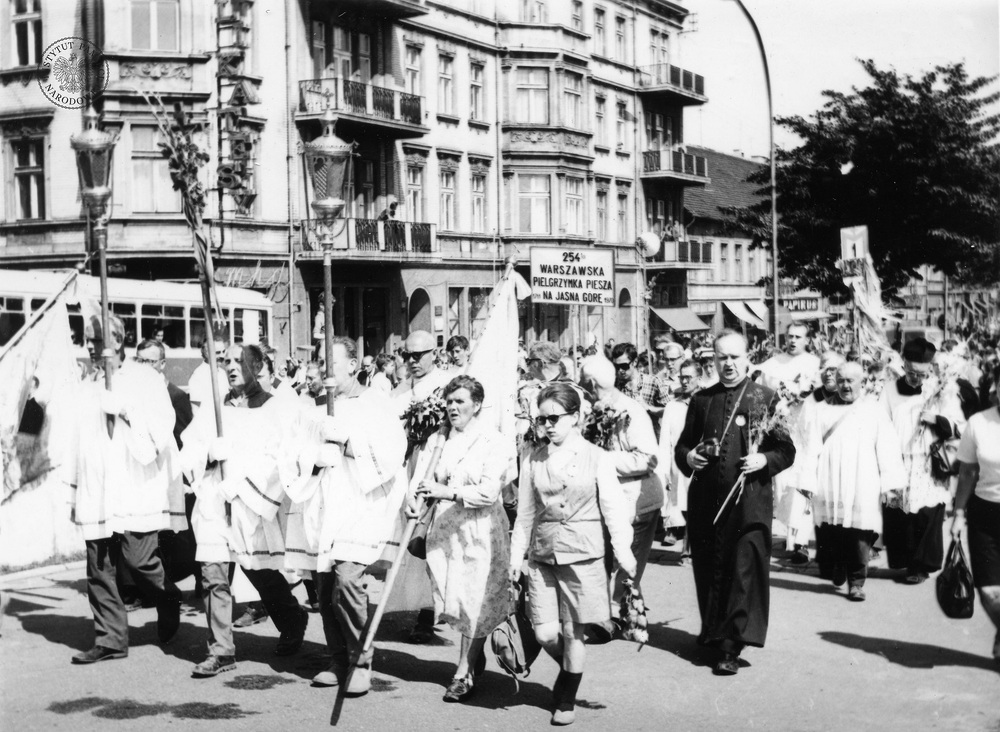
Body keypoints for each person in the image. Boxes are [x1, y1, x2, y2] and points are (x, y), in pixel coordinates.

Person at [510, 382, 636, 726]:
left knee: (572, 631)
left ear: (576, 417)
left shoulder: (598, 457)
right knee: (544, 632)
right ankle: (571, 670)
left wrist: (624, 552)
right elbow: (525, 513)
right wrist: (515, 557)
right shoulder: (533, 458)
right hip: (543, 555)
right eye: (542, 419)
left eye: (555, 418)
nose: (548, 425)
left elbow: (613, 509)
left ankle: (565, 696)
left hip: (584, 554)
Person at [180, 344, 308, 677]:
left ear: (259, 365)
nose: (233, 367)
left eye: (241, 361)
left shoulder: (274, 409)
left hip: (251, 503)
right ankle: (221, 651)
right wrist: (209, 455)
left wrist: (241, 484)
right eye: (228, 361)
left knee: (259, 572)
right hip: (214, 501)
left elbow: (281, 457)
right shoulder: (214, 409)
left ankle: (293, 619)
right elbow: (190, 447)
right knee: (213, 575)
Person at [675, 330, 795, 676]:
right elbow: (683, 446)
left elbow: (786, 450)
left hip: (748, 505)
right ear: (713, 360)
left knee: (743, 571)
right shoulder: (702, 399)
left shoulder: (765, 397)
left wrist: (764, 460)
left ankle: (732, 645)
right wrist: (690, 457)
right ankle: (714, 632)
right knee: (710, 568)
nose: (728, 364)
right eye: (721, 358)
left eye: (734, 357)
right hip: (707, 504)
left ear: (747, 358)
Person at [70, 316, 184, 664]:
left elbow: (162, 428)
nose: (90, 346)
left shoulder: (144, 378)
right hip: (97, 487)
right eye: (88, 339)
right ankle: (111, 640)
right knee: (99, 566)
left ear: (117, 342)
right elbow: (78, 437)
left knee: (138, 562)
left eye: (96, 339)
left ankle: (166, 596)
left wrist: (124, 410)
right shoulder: (87, 383)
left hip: (134, 485)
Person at [407, 375, 514, 703]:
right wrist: (413, 499)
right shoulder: (439, 439)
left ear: (477, 405)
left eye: (460, 402)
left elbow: (489, 491)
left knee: (473, 600)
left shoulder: (494, 441)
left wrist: (447, 491)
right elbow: (422, 478)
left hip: (481, 529)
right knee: (452, 600)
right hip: (445, 531)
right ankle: (473, 650)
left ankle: (463, 674)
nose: (453, 408)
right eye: (449, 402)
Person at [798, 362, 906, 601]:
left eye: (851, 381)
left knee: (860, 531)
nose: (845, 386)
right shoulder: (822, 410)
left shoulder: (874, 410)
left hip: (863, 478)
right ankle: (839, 564)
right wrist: (807, 480)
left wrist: (890, 485)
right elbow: (810, 447)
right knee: (832, 528)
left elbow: (887, 447)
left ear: (862, 382)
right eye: (841, 380)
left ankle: (857, 581)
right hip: (829, 477)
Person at [578, 358, 662, 626]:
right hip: (608, 500)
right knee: (613, 559)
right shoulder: (592, 409)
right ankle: (625, 614)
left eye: (582, 381)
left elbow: (649, 458)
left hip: (637, 501)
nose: (580, 386)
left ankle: (613, 617)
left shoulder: (631, 411)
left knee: (627, 561)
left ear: (592, 383)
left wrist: (601, 460)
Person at [881, 337, 966, 584]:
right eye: (911, 372)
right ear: (903, 366)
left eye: (921, 374)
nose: (916, 378)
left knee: (928, 513)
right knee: (901, 513)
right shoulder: (889, 390)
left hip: (929, 460)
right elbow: (881, 422)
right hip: (898, 458)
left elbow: (959, 425)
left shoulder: (941, 390)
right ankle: (906, 562)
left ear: (930, 369)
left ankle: (922, 566)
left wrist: (937, 420)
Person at [755, 323, 821, 564]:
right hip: (781, 429)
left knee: (803, 484)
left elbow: (821, 393)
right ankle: (790, 537)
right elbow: (762, 393)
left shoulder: (814, 364)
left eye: (798, 337)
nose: (793, 340)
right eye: (790, 336)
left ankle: (801, 542)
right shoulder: (773, 364)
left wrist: (803, 395)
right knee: (783, 484)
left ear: (807, 340)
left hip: (807, 430)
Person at [951, 365, 1000, 664]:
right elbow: (968, 471)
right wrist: (958, 513)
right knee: (989, 593)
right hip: (985, 515)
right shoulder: (978, 423)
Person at [658, 359, 702, 558]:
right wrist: (664, 470)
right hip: (679, 464)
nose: (684, 381)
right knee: (682, 506)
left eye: (689, 377)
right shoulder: (672, 406)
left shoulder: (707, 401)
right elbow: (665, 441)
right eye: (682, 377)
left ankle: (690, 547)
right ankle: (687, 546)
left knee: (698, 507)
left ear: (698, 378)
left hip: (701, 462)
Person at [611, 343, 669, 424]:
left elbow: (669, 412)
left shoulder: (653, 382)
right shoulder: (614, 385)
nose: (620, 370)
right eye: (616, 367)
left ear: (635, 362)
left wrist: (648, 408)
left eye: (624, 366)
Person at [188, 334, 229, 413]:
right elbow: (195, 409)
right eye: (218, 352)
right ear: (207, 353)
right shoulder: (198, 375)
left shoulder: (222, 373)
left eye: (223, 351)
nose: (222, 355)